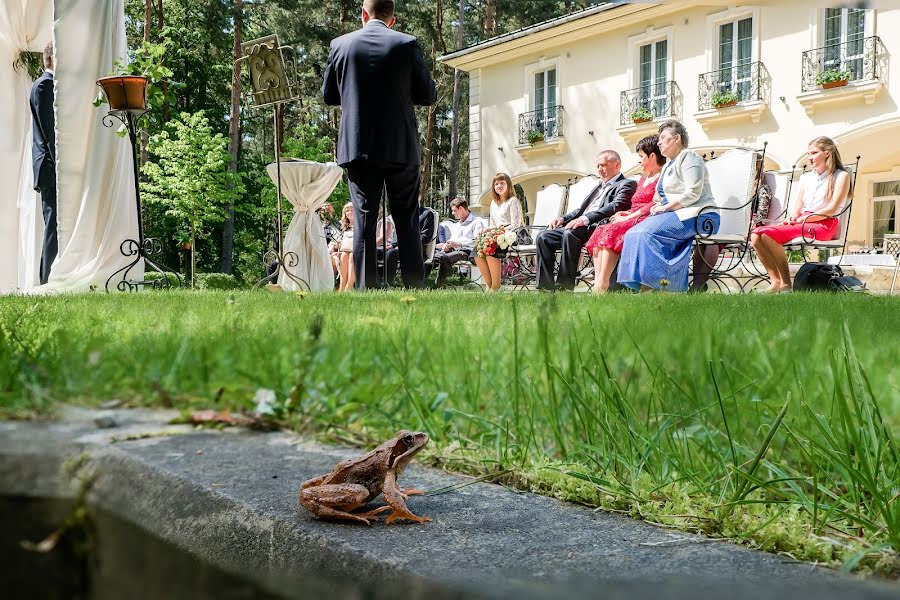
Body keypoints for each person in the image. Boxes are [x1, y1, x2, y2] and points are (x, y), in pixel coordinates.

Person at [322, 0, 437, 290]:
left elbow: (329, 96)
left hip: (358, 146)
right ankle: (414, 287)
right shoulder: (407, 44)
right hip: (400, 145)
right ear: (392, 19)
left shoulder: (340, 45)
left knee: (363, 220)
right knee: (406, 218)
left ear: (363, 15)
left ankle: (364, 289)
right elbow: (428, 94)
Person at [618, 120, 719, 292]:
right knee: (633, 232)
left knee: (646, 233)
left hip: (701, 215)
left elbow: (693, 192)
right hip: (676, 213)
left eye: (663, 137)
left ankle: (657, 287)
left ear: (677, 138)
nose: (659, 142)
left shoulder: (689, 157)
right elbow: (659, 197)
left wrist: (665, 208)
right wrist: (655, 207)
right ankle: (648, 286)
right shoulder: (667, 166)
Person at [750, 136, 850, 292]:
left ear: (828, 153)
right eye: (809, 154)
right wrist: (793, 217)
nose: (810, 158)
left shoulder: (840, 175)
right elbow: (797, 208)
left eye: (814, 153)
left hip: (825, 223)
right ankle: (775, 282)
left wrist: (806, 218)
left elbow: (832, 209)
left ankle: (786, 284)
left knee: (768, 235)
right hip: (804, 221)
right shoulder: (806, 178)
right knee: (756, 235)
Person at [536, 150, 636, 291]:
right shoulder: (598, 187)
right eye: (598, 167)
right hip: (580, 226)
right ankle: (545, 287)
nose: (600, 170)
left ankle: (564, 286)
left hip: (600, 227)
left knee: (570, 233)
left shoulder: (626, 184)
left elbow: (614, 207)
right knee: (543, 237)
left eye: (603, 165)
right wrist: (562, 218)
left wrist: (585, 219)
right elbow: (582, 210)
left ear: (617, 165)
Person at [584, 136, 663, 294]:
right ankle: (599, 281)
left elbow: (654, 204)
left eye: (641, 156)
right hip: (634, 216)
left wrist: (627, 217)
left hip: (647, 219)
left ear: (652, 156)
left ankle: (602, 284)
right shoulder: (643, 179)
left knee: (611, 231)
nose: (639, 161)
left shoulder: (662, 176)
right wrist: (626, 212)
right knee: (601, 229)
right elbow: (637, 204)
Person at [30, 42, 57, 285]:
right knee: (53, 226)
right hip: (49, 167)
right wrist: (62, 162)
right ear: (52, 58)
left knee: (54, 224)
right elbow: (50, 131)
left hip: (48, 168)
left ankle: (47, 278)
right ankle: (48, 281)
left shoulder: (44, 85)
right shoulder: (45, 86)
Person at [474, 173, 524, 292]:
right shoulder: (493, 203)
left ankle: (496, 286)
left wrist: (497, 231)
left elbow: (516, 225)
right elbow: (492, 224)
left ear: (508, 185)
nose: (499, 186)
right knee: (476, 253)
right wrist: (487, 230)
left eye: (502, 183)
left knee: (491, 248)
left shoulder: (513, 201)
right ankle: (489, 285)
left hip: (513, 235)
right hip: (498, 234)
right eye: (496, 184)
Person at [430, 198, 484, 288]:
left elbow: (477, 241)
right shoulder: (457, 225)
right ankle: (420, 283)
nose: (453, 213)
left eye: (454, 210)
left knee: (445, 258)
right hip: (454, 250)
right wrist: (447, 245)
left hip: (467, 251)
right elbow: (453, 240)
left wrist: (459, 244)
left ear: (461, 209)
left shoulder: (476, 222)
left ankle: (437, 286)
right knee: (433, 256)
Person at [385, 204, 435, 286]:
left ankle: (390, 283)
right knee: (383, 252)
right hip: (400, 248)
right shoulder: (403, 213)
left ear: (419, 197)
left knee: (391, 254)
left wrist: (406, 245)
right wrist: (393, 245)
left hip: (417, 249)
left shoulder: (427, 214)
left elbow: (425, 236)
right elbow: (399, 234)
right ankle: (385, 282)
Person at [330, 203, 356, 291]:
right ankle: (342, 285)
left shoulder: (360, 225)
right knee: (344, 255)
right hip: (347, 250)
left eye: (352, 210)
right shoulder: (345, 227)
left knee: (352, 256)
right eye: (347, 211)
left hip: (359, 251)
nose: (349, 212)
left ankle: (349, 286)